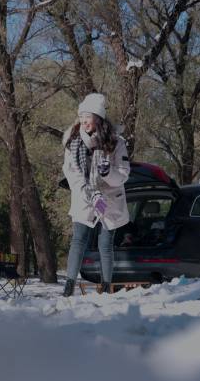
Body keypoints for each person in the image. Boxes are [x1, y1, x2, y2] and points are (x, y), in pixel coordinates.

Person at [61, 93, 130, 296]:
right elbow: (71, 172)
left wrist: (108, 172)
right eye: (81, 116)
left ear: (98, 118)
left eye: (87, 116)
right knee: (78, 240)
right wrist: (87, 193)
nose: (83, 121)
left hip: (109, 199)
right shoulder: (73, 143)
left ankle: (107, 286)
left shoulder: (116, 142)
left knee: (105, 244)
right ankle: (68, 287)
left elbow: (124, 174)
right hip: (84, 196)